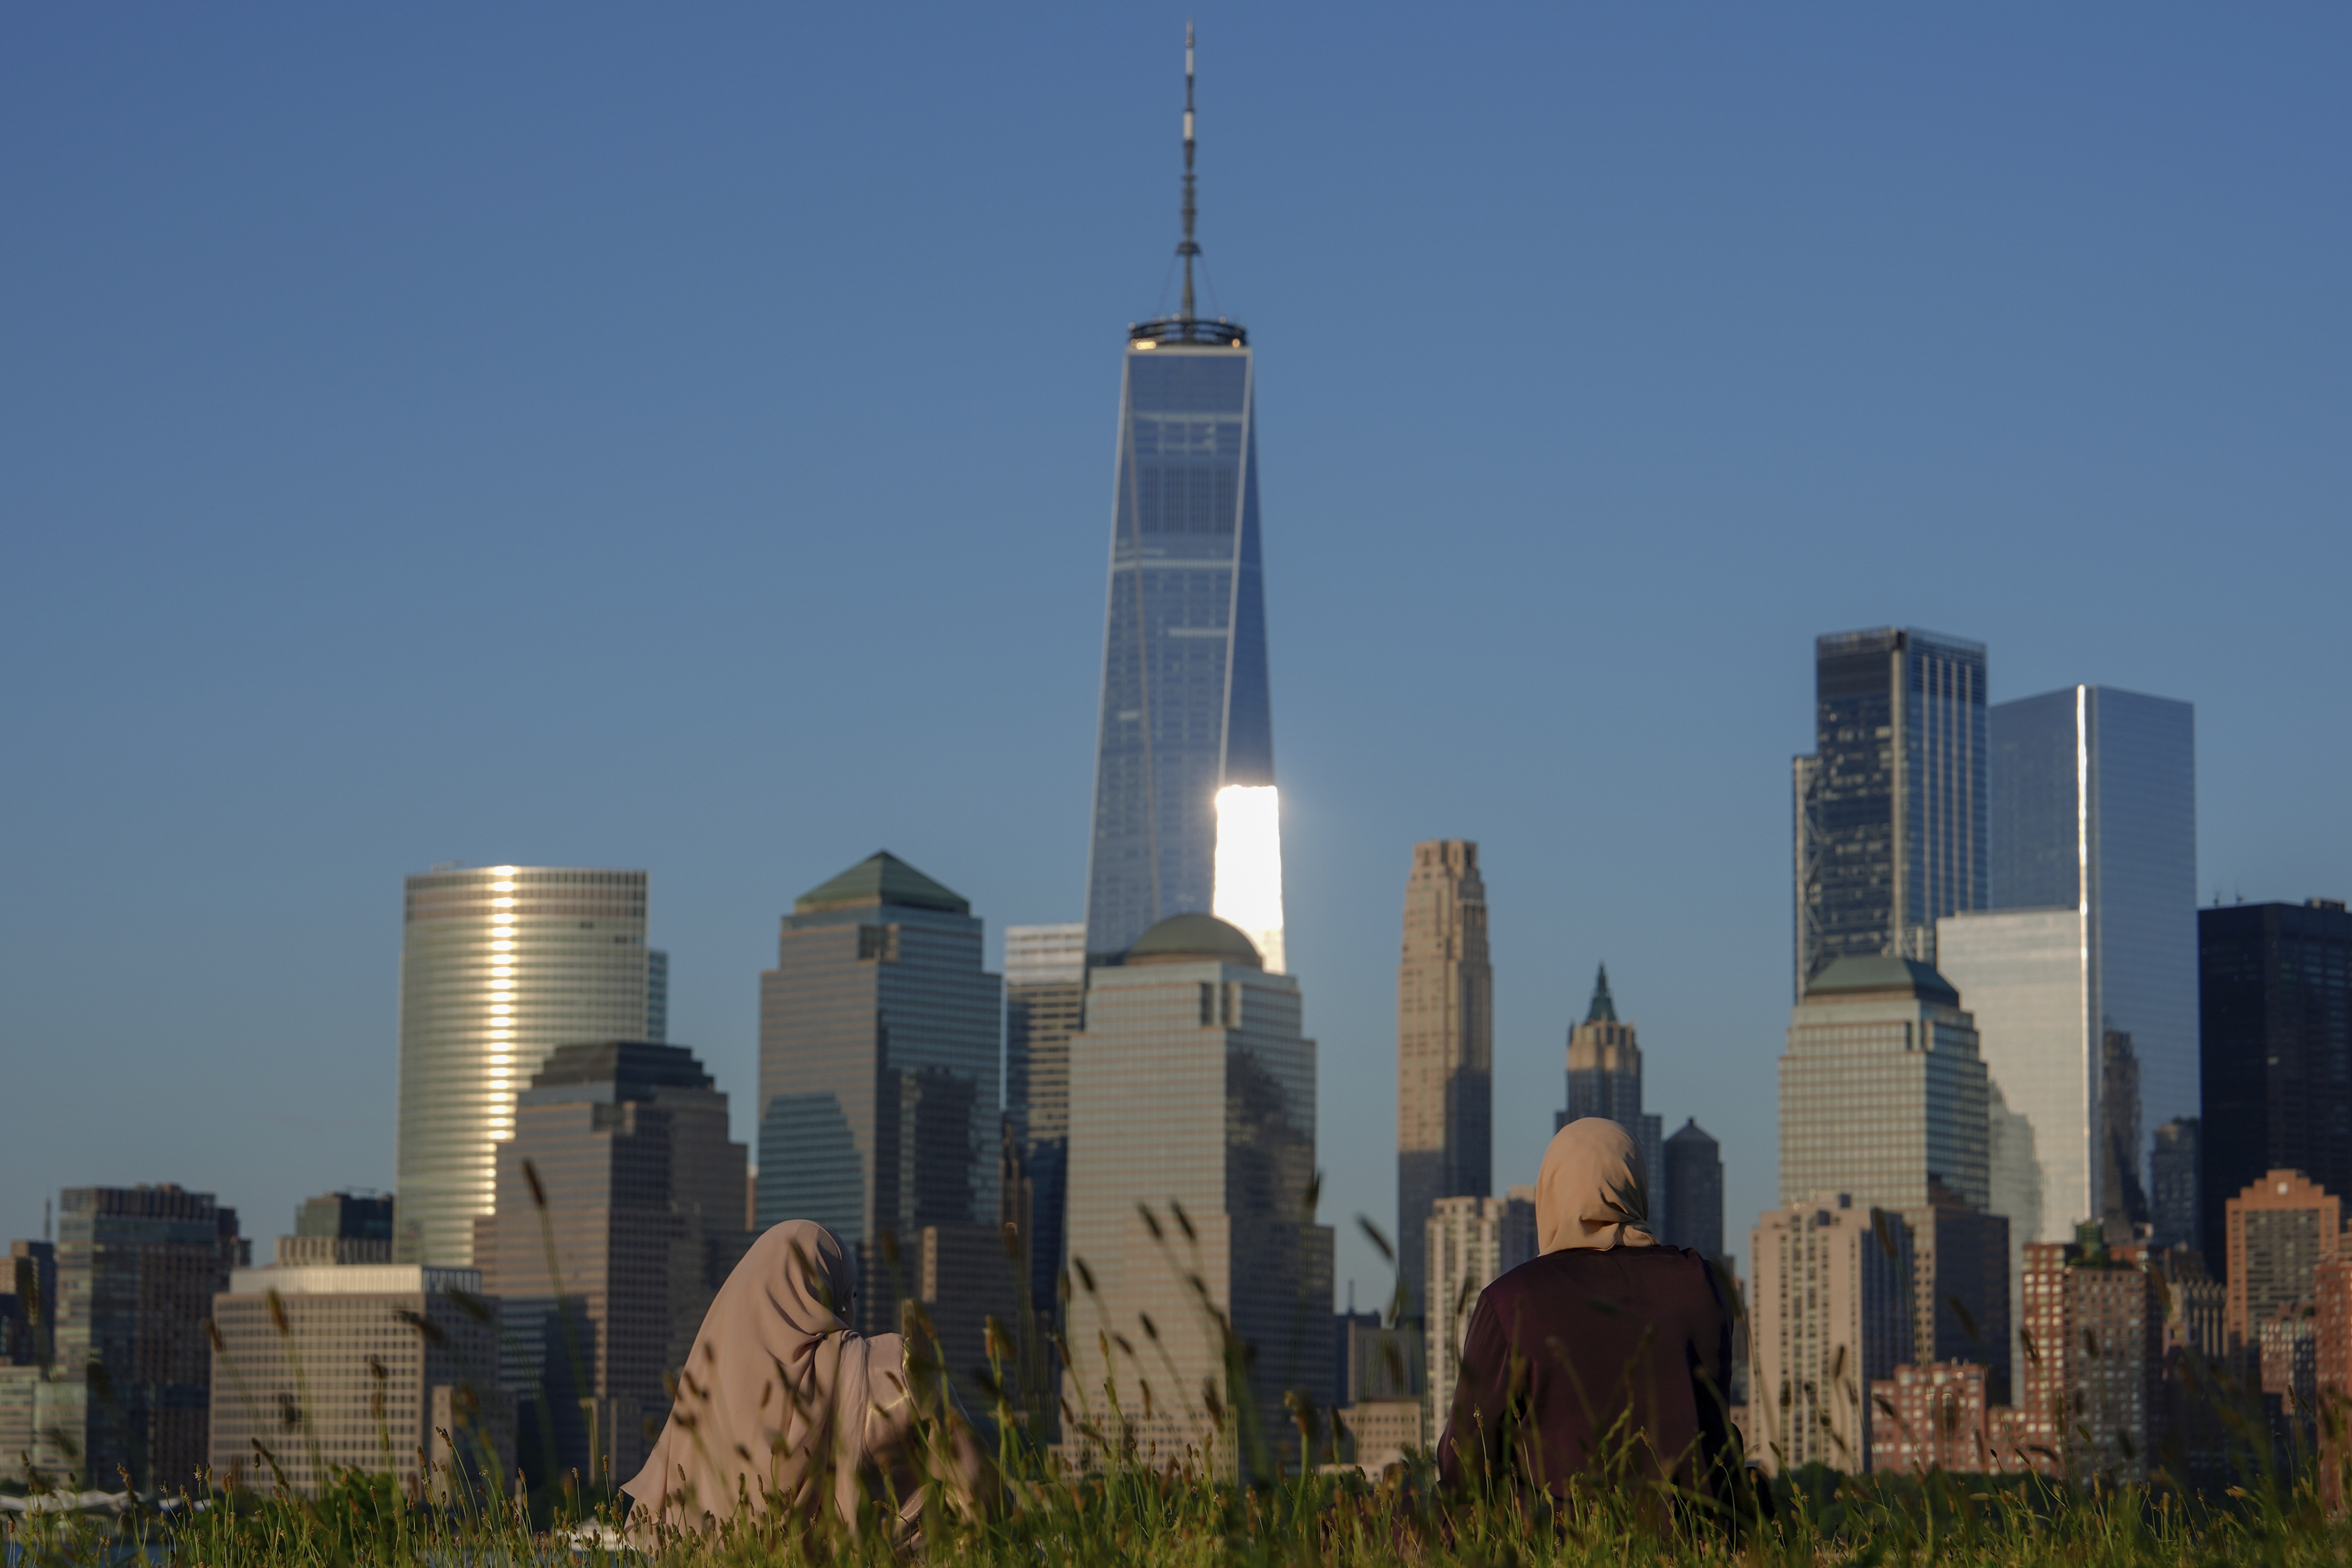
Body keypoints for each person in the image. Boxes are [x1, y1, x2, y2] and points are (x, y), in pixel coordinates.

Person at [622, 1219, 985, 1539]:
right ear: (837, 1299)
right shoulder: (889, 1370)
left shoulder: (697, 1418)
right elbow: (986, 1501)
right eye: (851, 1293)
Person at [1435, 1117, 1735, 1500]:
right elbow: (1717, 1434)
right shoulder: (1702, 1284)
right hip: (1693, 1535)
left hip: (1560, 1539)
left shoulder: (1511, 1300)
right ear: (1637, 1185)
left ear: (1552, 1191)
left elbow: (1463, 1465)